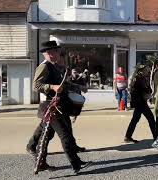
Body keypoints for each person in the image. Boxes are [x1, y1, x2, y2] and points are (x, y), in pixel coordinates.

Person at [27, 41, 91, 174]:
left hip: (59, 105)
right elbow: (36, 86)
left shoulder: (55, 66)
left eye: (54, 51)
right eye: (48, 52)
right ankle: (75, 164)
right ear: (45, 54)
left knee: (47, 134)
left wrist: (79, 87)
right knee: (65, 134)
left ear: (57, 52)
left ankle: (39, 159)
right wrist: (51, 87)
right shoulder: (44, 67)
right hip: (51, 106)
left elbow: (64, 84)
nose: (52, 54)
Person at [124, 64, 158, 143]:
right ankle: (156, 138)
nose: (148, 71)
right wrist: (150, 92)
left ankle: (128, 136)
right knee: (151, 119)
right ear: (142, 71)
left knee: (135, 119)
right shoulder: (139, 79)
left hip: (139, 102)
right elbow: (143, 90)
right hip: (140, 102)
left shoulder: (140, 78)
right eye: (146, 70)